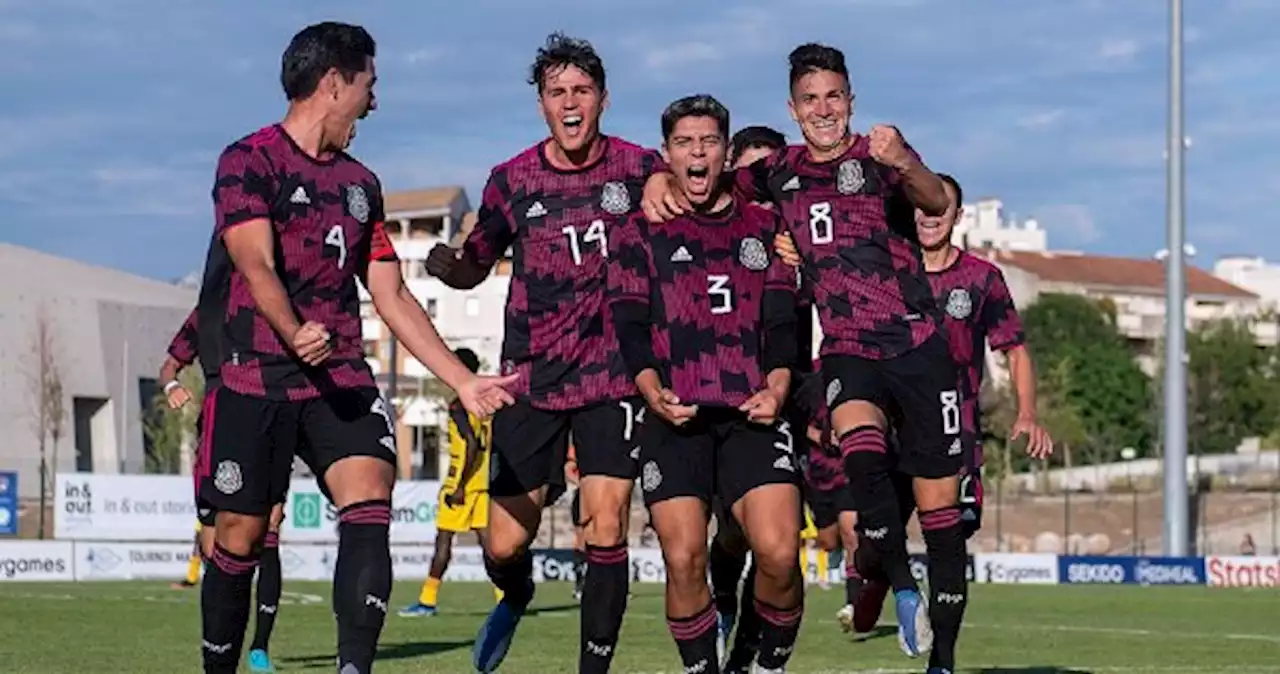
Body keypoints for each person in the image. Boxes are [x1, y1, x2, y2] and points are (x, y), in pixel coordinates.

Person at [196, 22, 515, 674]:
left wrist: (461, 379)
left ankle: (354, 669)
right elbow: (253, 262)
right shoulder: (248, 161)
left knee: (370, 495)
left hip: (338, 376)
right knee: (239, 537)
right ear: (335, 82)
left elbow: (393, 296)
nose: (375, 101)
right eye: (369, 84)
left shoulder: (361, 185)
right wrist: (291, 330)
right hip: (254, 375)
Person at [643, 43, 962, 668]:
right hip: (845, 349)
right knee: (861, 459)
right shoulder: (779, 171)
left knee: (943, 516)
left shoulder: (879, 159)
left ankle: (940, 654)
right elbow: (701, 171)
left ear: (850, 100)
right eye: (810, 99)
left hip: (919, 347)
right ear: (793, 109)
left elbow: (933, 200)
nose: (823, 109)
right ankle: (900, 590)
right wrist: (654, 176)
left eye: (834, 97)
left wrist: (903, 158)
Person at [424, 33, 663, 674]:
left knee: (606, 522)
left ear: (603, 99)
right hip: (532, 376)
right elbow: (477, 264)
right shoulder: (511, 179)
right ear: (541, 106)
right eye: (557, 92)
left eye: (581, 90)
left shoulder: (642, 169)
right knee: (503, 544)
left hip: (613, 374)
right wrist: (449, 268)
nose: (570, 102)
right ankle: (518, 593)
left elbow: (696, 216)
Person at [609, 94, 804, 674]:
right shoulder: (640, 228)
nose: (698, 152)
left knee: (778, 551)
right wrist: (649, 391)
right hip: (675, 414)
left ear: (727, 152)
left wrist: (779, 387)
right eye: (685, 143)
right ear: (666, 153)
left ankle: (760, 661)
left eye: (710, 141)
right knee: (685, 556)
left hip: (752, 412)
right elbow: (629, 323)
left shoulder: (766, 226)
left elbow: (780, 321)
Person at [161, 308, 287, 673]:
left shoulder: (278, 305)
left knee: (269, 536)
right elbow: (169, 366)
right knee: (215, 553)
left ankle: (260, 646)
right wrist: (171, 386)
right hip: (217, 440)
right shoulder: (209, 311)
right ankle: (217, 656)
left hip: (269, 432)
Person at [705, 125, 788, 673]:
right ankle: (724, 604)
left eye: (770, 174)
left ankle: (746, 659)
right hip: (719, 397)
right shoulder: (712, 222)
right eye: (751, 172)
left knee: (775, 543)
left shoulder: (792, 231)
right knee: (732, 534)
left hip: (788, 394)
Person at [400, 348, 504, 617]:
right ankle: (505, 597)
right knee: (489, 545)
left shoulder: (459, 404)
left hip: (463, 483)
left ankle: (427, 601)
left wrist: (458, 486)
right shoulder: (484, 404)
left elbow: (470, 444)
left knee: (444, 542)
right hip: (482, 483)